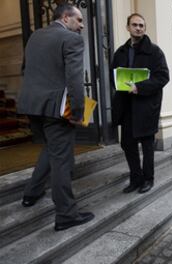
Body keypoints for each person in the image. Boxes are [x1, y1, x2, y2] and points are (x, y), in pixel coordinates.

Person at [17, 3, 94, 231]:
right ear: (65, 17)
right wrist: (77, 113)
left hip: (32, 107)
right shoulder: (71, 40)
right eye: (79, 20)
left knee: (52, 149)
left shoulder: (35, 37)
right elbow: (74, 80)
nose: (81, 26)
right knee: (61, 159)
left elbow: (25, 69)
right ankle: (66, 215)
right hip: (56, 110)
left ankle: (31, 193)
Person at [111, 13, 169, 194]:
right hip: (126, 106)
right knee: (128, 145)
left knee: (147, 146)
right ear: (127, 27)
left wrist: (139, 87)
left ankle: (148, 179)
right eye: (135, 25)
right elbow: (113, 76)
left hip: (145, 107)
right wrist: (119, 84)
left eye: (141, 25)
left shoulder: (155, 51)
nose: (138, 28)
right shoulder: (120, 52)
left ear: (144, 28)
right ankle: (135, 179)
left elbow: (163, 77)